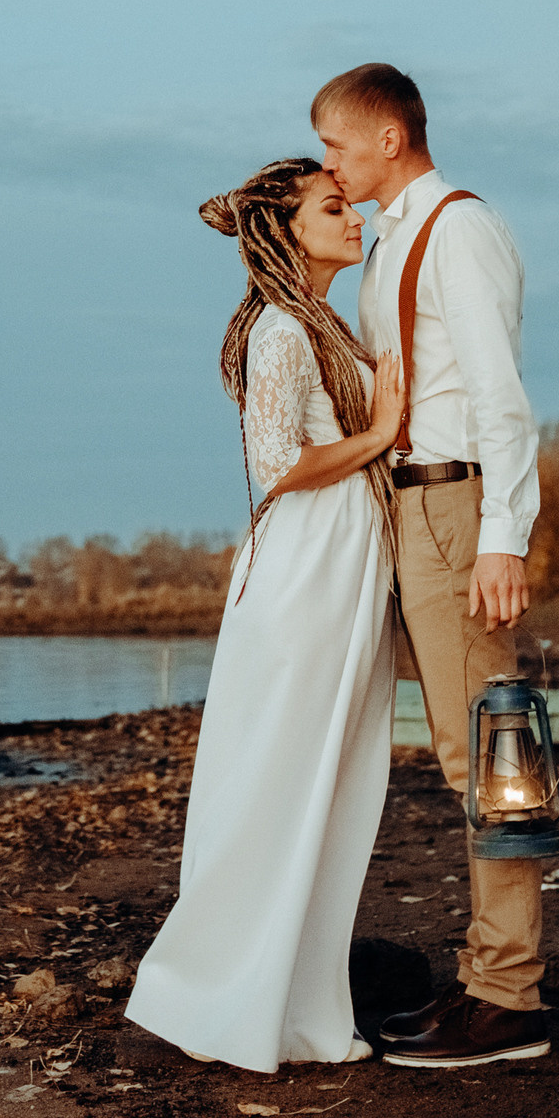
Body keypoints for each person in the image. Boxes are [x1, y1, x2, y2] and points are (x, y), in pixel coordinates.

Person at [125, 156, 408, 1070]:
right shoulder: (282, 330)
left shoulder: (319, 321)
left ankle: (298, 1006)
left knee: (328, 786)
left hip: (341, 565)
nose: (354, 217)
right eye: (334, 207)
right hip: (305, 575)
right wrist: (380, 434)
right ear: (286, 232)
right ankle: (218, 994)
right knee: (283, 780)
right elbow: (276, 463)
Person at [314, 62, 550, 1068]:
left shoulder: (457, 228)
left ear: (389, 138)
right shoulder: (392, 240)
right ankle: (487, 976)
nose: (329, 163)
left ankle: (507, 997)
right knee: (468, 748)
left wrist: (503, 532)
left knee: (487, 751)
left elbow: (500, 394)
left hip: (456, 505)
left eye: (335, 144)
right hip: (413, 506)